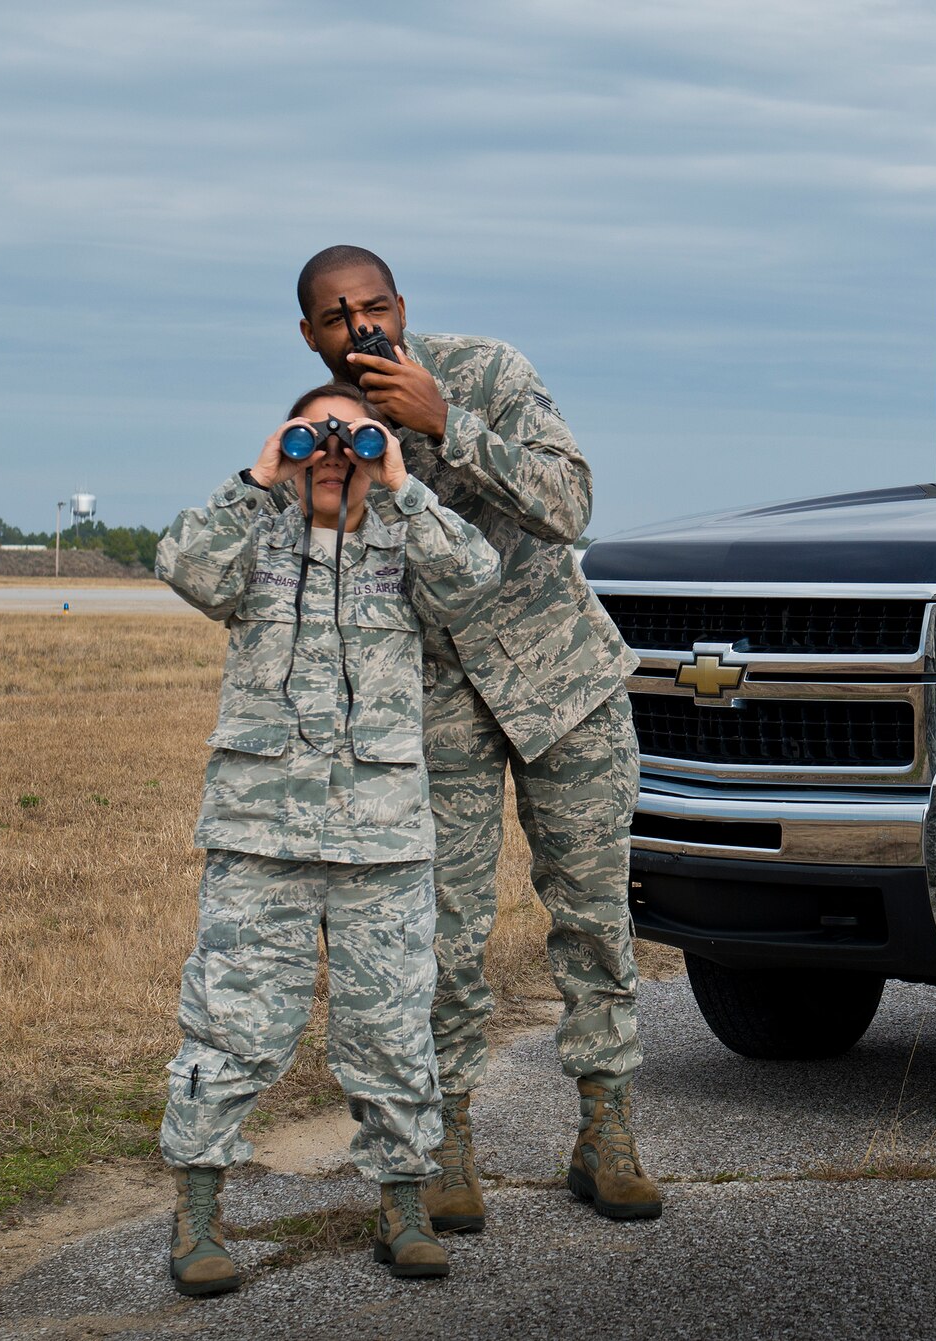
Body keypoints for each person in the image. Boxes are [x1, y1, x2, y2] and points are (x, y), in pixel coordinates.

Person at [293, 245, 661, 1225]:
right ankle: (447, 1143)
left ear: (402, 308)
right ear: (311, 335)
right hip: (436, 708)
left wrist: (446, 424)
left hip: (564, 684)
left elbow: (570, 506)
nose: (362, 329)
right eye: (338, 318)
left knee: (591, 922)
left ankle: (605, 1133)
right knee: (441, 941)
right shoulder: (322, 426)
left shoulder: (491, 374)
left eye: (375, 308)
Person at [155, 383, 502, 1295]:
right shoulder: (253, 536)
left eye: (352, 439)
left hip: (381, 840)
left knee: (391, 1031)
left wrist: (401, 481)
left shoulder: (407, 539)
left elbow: (477, 581)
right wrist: (259, 473)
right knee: (229, 1024)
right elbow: (184, 567)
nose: (332, 453)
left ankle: (403, 1208)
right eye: (317, 438)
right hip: (259, 832)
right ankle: (196, 1214)